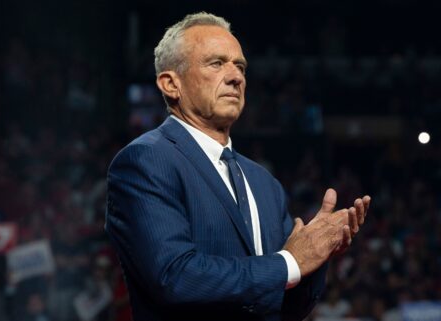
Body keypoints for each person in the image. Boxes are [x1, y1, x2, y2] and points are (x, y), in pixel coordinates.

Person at [105, 12, 371, 321]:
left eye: (240, 66)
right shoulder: (145, 161)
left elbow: (287, 306)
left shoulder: (264, 183)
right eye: (216, 63)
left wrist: (316, 256)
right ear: (170, 84)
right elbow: (174, 277)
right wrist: (291, 262)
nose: (236, 77)